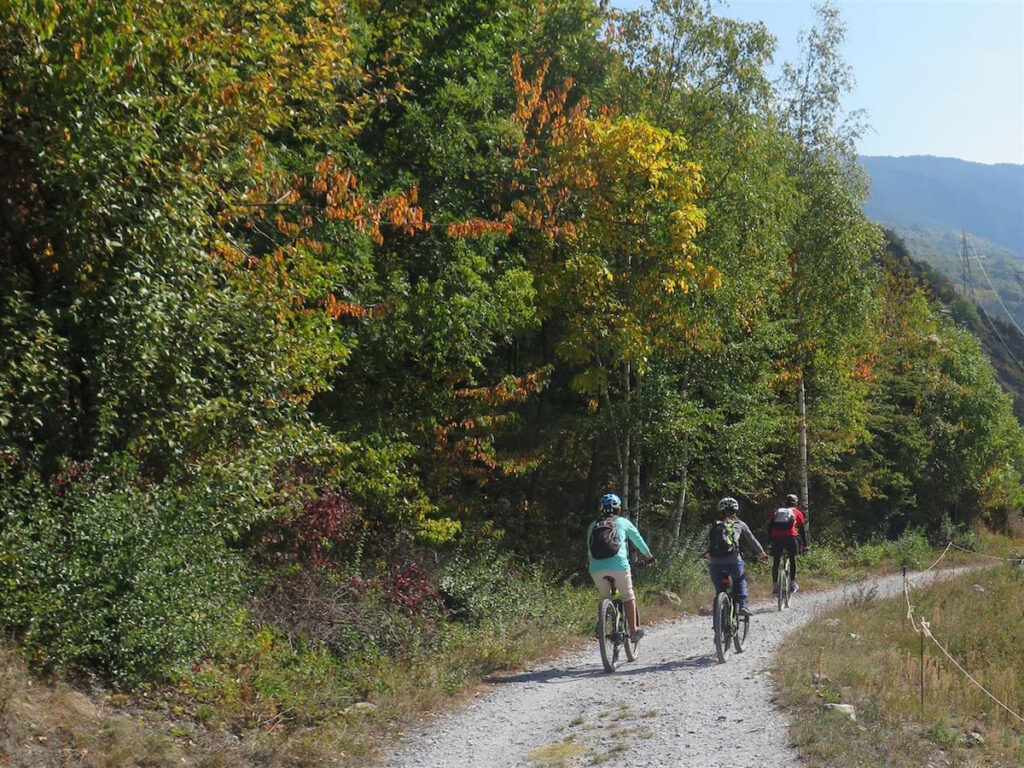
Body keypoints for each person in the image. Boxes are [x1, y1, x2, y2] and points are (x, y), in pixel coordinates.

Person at [587, 492, 655, 642]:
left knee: (605, 597)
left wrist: (595, 566)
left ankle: (603, 623)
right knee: (627, 595)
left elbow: (589, 550)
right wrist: (649, 557)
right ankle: (634, 630)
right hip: (619, 566)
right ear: (618, 508)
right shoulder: (623, 522)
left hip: (596, 568)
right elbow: (638, 539)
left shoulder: (593, 525)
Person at [706, 497, 766, 617]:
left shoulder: (716, 526)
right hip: (734, 561)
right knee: (740, 580)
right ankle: (743, 605)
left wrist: (709, 557)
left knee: (720, 589)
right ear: (736, 511)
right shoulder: (740, 524)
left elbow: (711, 544)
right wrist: (761, 553)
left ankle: (720, 608)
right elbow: (752, 540)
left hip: (715, 562)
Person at [767, 493, 809, 595]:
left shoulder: (777, 512)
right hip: (790, 538)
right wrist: (805, 545)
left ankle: (775, 587)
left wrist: (769, 542)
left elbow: (770, 527)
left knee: (776, 562)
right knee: (792, 559)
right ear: (795, 502)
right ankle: (793, 584)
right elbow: (802, 530)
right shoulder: (797, 512)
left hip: (776, 539)